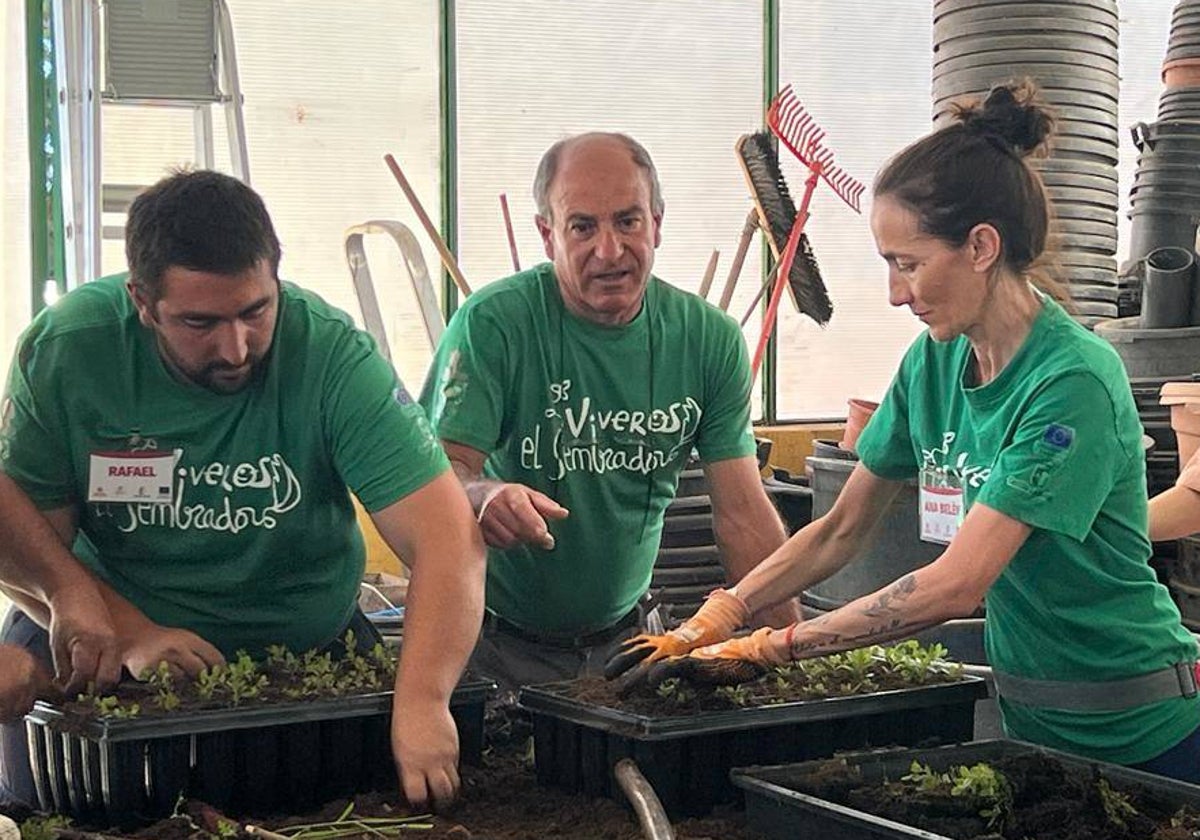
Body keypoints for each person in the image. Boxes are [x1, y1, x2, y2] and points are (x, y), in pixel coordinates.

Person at [608, 83, 1200, 783]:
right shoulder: (935, 361)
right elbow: (838, 530)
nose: (895, 293)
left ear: (981, 246)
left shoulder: (1071, 383)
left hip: (1146, 732)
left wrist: (771, 646)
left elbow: (954, 585)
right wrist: (720, 613)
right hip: (1033, 727)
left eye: (908, 264)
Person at [0, 170, 485, 809]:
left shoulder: (331, 356)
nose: (235, 348)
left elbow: (449, 540)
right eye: (199, 323)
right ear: (142, 301)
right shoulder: (71, 350)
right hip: (109, 666)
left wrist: (422, 701)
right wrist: (127, 629)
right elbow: (20, 538)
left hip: (306, 659)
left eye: (255, 311)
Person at [419, 131, 800, 691]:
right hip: (490, 643)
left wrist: (790, 651)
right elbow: (438, 473)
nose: (609, 250)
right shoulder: (493, 325)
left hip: (630, 640)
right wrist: (482, 495)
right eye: (582, 227)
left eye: (628, 222)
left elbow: (743, 513)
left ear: (658, 223)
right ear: (547, 235)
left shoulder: (707, 340)